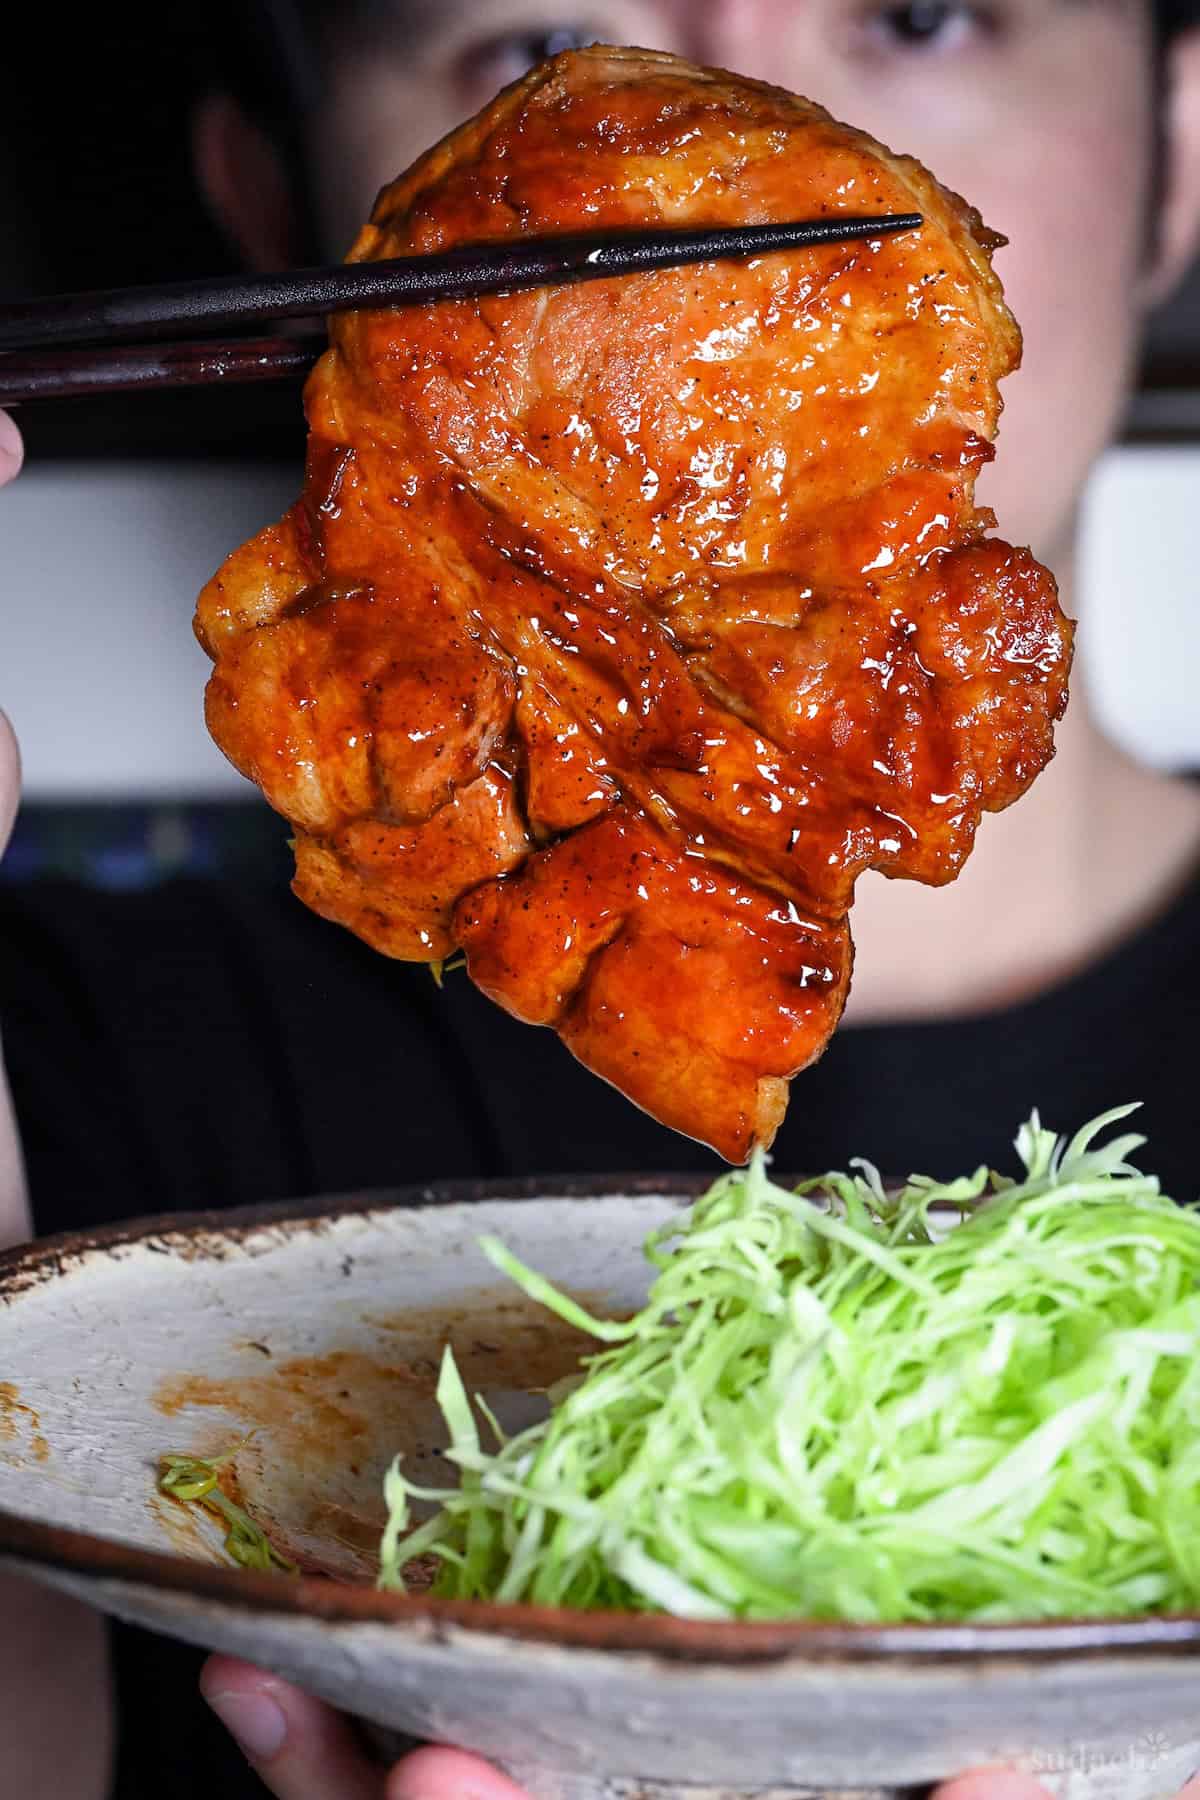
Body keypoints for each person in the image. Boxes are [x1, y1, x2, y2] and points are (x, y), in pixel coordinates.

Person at [3, 1, 1200, 1795]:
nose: (764, 112)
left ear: (1188, 147)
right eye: (543, 34)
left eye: (920, 17)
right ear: (271, 202)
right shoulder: (63, 1090)